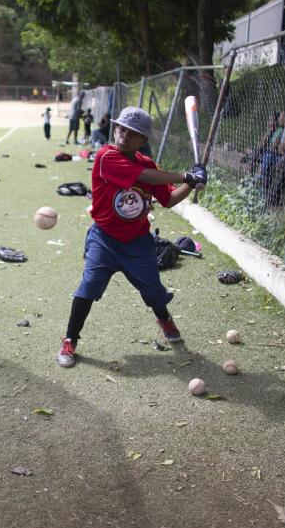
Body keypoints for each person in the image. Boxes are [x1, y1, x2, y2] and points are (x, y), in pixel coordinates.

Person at [56, 107, 207, 368]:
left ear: (143, 141)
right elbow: (143, 177)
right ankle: (70, 339)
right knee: (89, 285)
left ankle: (165, 319)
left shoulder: (148, 164)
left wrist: (191, 184)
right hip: (104, 239)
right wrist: (186, 175)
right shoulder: (106, 156)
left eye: (132, 132)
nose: (123, 134)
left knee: (154, 292)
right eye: (121, 128)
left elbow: (168, 199)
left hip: (138, 243)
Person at [257, 110, 285, 199]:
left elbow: (282, 148)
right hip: (281, 154)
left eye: (281, 116)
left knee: (268, 156)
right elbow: (276, 147)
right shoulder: (284, 129)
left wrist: (279, 148)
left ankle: (262, 182)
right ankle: (263, 185)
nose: (279, 118)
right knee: (267, 155)